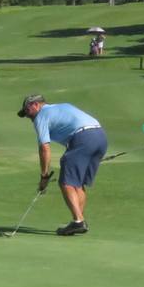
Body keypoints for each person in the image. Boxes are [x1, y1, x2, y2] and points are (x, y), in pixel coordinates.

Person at [17, 94, 107, 236]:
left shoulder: (41, 116)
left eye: (27, 112)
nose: (29, 117)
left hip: (82, 138)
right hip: (100, 136)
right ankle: (78, 221)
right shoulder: (63, 105)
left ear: (35, 105)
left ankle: (78, 221)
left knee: (66, 182)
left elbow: (44, 148)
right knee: (77, 183)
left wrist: (44, 176)